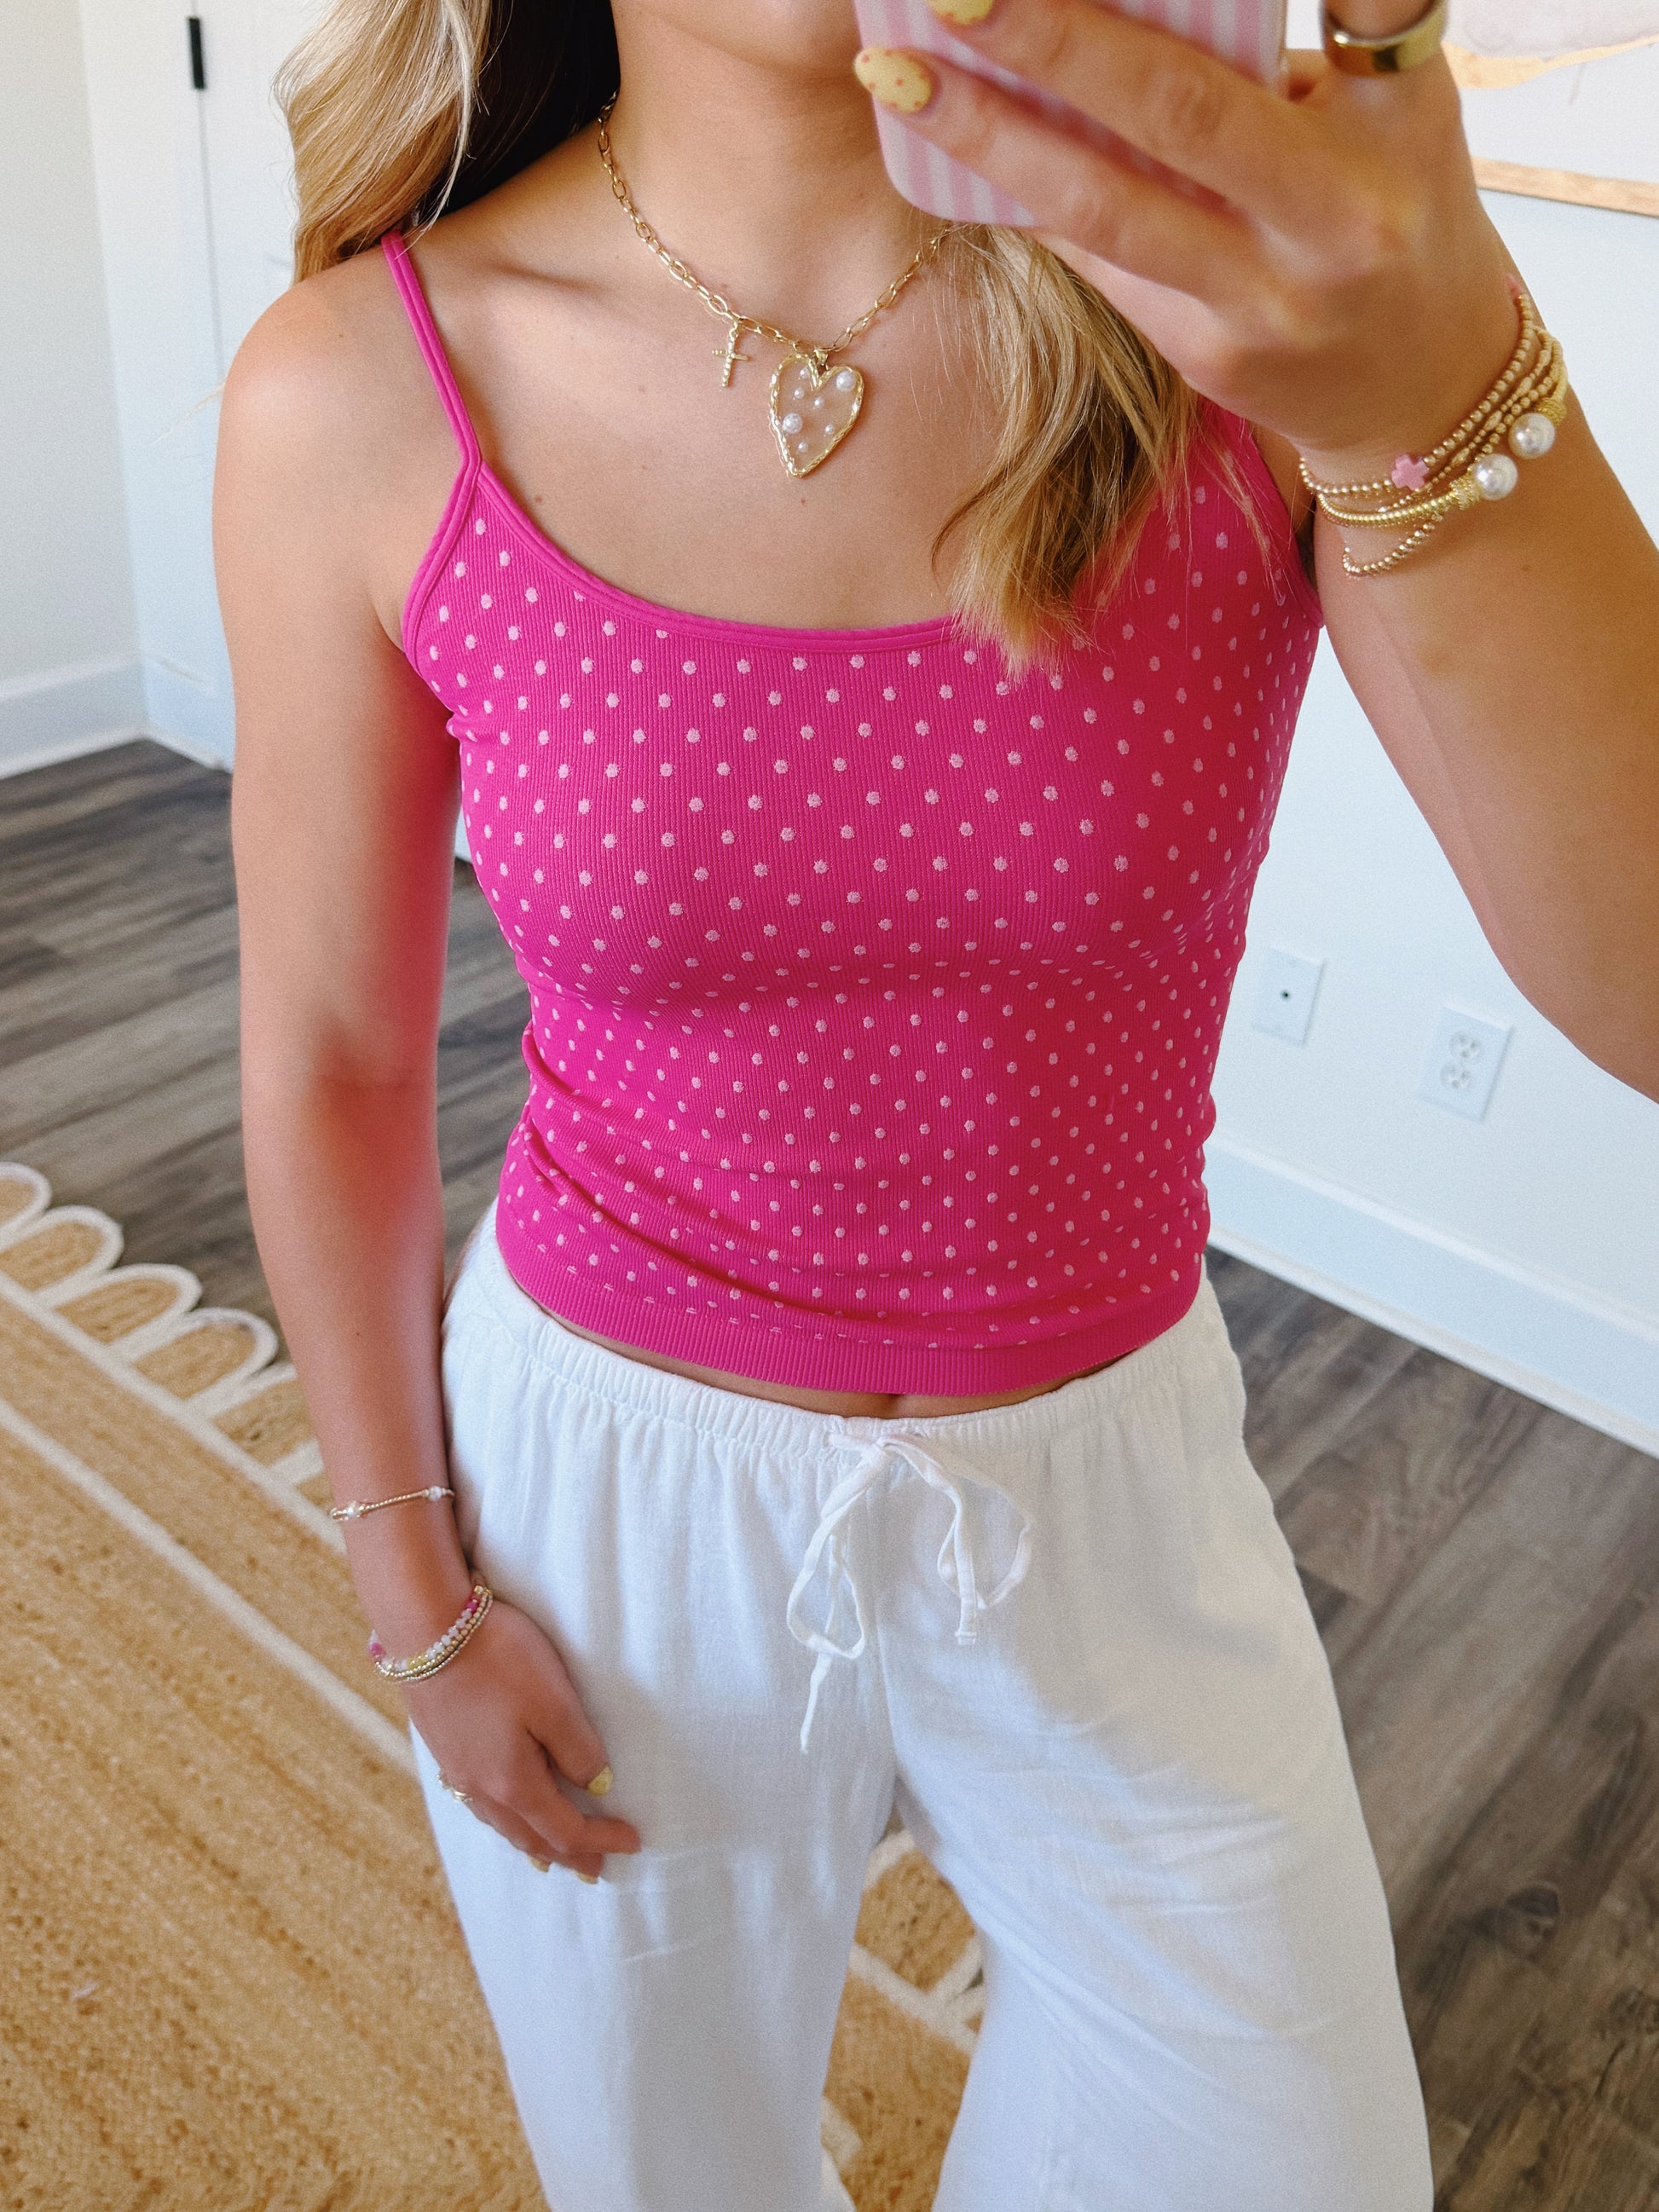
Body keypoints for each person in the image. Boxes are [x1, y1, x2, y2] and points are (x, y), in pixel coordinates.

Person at [213, 0, 1659, 2206]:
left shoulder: (1237, 330)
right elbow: (330, 1051)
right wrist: (410, 1577)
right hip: (610, 1505)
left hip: (1115, 1493)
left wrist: (1441, 381)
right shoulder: (367, 387)